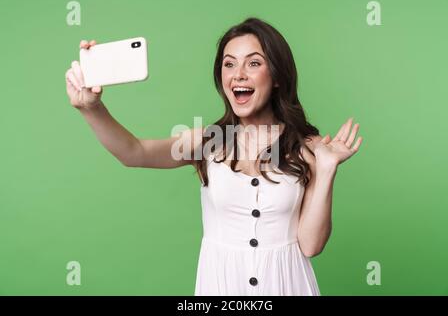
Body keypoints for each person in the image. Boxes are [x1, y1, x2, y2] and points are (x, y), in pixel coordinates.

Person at [65, 17, 362, 296]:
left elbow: (310, 245)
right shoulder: (207, 142)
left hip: (287, 284)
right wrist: (91, 109)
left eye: (254, 63)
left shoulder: (306, 147)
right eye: (228, 64)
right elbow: (134, 152)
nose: (238, 75)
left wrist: (326, 170)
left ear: (277, 77)